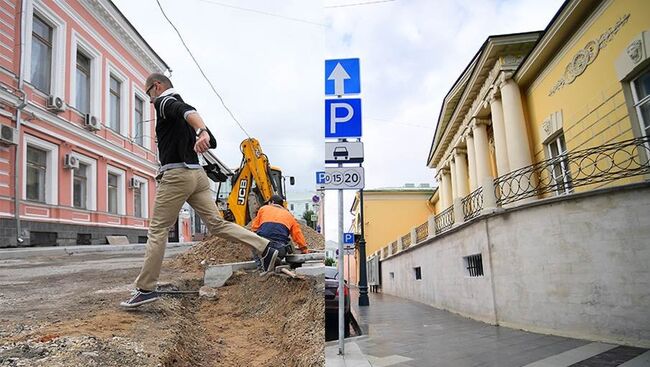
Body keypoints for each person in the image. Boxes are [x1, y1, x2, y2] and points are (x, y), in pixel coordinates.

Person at [120, 73, 286, 308]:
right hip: (197, 176)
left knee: (157, 230)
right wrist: (203, 132)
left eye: (148, 94)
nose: (149, 100)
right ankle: (266, 247)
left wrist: (201, 132)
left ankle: (146, 288)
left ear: (157, 87)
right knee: (217, 225)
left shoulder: (165, 102)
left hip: (177, 176)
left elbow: (185, 110)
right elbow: (203, 130)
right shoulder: (181, 113)